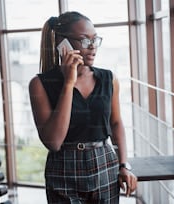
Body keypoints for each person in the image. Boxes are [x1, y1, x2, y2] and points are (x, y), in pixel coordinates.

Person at [29, 11, 137, 203]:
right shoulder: (40, 84)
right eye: (85, 40)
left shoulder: (108, 79)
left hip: (104, 162)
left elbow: (116, 123)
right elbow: (53, 141)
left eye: (95, 40)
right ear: (62, 43)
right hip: (63, 167)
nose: (93, 47)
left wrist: (124, 165)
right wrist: (68, 84)